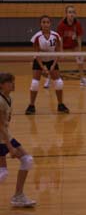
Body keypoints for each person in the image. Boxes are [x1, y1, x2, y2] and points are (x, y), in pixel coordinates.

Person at [0, 73, 36, 207]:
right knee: (3, 172)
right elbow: (0, 126)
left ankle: (18, 196)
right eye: (9, 82)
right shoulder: (0, 101)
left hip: (6, 136)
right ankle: (18, 196)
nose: (13, 84)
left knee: (26, 160)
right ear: (1, 85)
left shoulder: (8, 98)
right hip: (2, 138)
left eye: (13, 81)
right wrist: (10, 148)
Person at [25, 15, 70, 115]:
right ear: (40, 24)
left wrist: (53, 65)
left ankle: (60, 104)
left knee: (59, 82)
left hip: (52, 60)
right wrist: (42, 67)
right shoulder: (37, 37)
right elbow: (36, 54)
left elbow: (58, 51)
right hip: (39, 60)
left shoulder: (56, 35)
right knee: (35, 84)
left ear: (50, 24)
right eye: (43, 22)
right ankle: (31, 106)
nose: (45, 24)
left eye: (47, 22)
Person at [44, 5, 86, 88]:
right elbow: (60, 39)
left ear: (75, 14)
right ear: (66, 14)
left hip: (73, 45)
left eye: (73, 12)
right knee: (53, 59)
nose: (71, 14)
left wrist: (79, 50)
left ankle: (82, 79)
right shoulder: (61, 25)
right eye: (69, 12)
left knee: (80, 58)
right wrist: (61, 51)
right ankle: (49, 79)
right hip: (62, 44)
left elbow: (79, 38)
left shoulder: (77, 24)